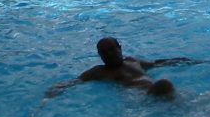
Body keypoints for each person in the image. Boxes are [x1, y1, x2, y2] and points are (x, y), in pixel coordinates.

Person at [48, 36, 188, 98]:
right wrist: (54, 90)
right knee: (164, 83)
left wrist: (184, 61)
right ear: (100, 55)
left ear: (119, 48)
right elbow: (75, 81)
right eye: (104, 52)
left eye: (111, 49)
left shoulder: (132, 61)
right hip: (140, 97)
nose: (109, 54)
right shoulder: (99, 71)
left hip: (154, 90)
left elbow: (157, 63)